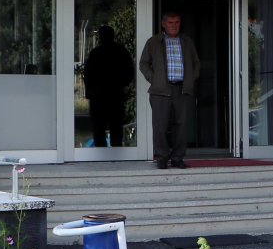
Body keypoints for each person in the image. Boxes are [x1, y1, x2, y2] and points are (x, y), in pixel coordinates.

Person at [139, 11, 200, 169]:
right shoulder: (154, 42)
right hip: (160, 91)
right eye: (170, 23)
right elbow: (143, 63)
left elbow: (196, 64)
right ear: (163, 24)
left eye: (177, 22)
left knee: (182, 125)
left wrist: (191, 79)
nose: (174, 25)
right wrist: (154, 78)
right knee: (160, 126)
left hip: (182, 90)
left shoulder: (187, 41)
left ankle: (178, 158)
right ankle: (162, 157)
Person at [83, 24, 134, 147]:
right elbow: (129, 72)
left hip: (99, 95)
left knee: (98, 127)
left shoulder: (96, 53)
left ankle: (101, 153)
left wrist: (90, 92)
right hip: (115, 94)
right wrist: (123, 85)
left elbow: (87, 74)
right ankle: (116, 152)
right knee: (116, 126)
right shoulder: (121, 51)